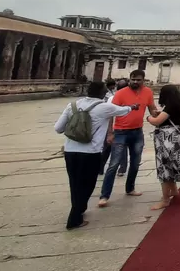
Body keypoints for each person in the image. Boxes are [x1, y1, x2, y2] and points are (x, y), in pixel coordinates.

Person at [55, 81, 138, 229]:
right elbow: (123, 110)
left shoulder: (72, 105)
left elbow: (58, 128)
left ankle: (79, 210)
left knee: (74, 183)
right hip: (90, 153)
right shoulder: (104, 107)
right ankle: (74, 218)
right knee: (87, 184)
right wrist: (133, 107)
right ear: (101, 92)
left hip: (70, 151)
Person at [98, 70, 159, 208]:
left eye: (138, 80)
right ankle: (104, 195)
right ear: (129, 79)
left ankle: (130, 188)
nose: (135, 82)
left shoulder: (148, 92)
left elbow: (152, 109)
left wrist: (160, 114)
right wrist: (110, 133)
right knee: (114, 164)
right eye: (133, 79)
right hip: (120, 132)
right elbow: (110, 113)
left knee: (135, 163)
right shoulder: (120, 93)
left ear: (144, 80)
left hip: (137, 132)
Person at [145, 84, 180, 211]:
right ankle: (174, 190)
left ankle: (165, 199)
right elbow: (167, 117)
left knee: (164, 167)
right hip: (175, 139)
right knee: (172, 165)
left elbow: (157, 121)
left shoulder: (170, 107)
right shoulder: (178, 105)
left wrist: (148, 117)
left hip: (166, 140)